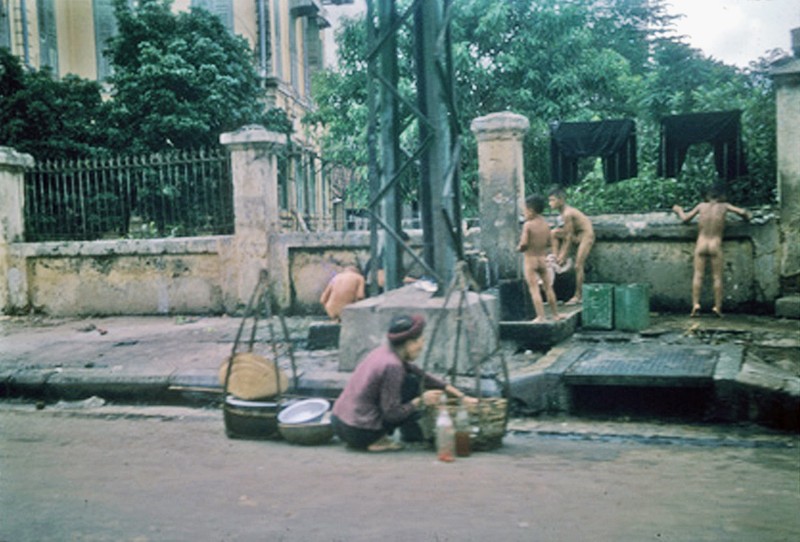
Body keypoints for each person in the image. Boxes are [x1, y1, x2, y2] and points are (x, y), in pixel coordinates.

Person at [331, 314, 475, 452]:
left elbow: (424, 377)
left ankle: (407, 434)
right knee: (411, 385)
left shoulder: (384, 352)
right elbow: (391, 414)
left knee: (414, 380)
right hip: (361, 432)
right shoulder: (393, 366)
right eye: (421, 342)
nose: (422, 347)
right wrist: (421, 401)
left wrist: (461, 396)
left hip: (339, 422)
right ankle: (378, 440)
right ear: (410, 343)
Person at [672, 182, 751, 317]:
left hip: (701, 244)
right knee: (717, 277)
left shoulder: (701, 206)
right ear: (723, 195)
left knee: (698, 275)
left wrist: (678, 210)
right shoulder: (725, 206)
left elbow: (685, 219)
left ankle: (696, 304)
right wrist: (747, 216)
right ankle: (717, 308)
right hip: (715, 244)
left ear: (706, 195)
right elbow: (743, 212)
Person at [517, 195, 561, 323]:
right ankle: (555, 315)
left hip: (530, 259)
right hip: (542, 259)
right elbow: (548, 242)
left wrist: (519, 248)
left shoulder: (528, 225)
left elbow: (524, 243)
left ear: (530, 210)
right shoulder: (545, 224)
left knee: (534, 289)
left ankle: (541, 316)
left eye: (524, 210)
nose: (524, 213)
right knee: (548, 288)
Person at [548, 186, 595, 305]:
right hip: (576, 234)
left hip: (586, 236)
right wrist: (559, 255)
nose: (550, 204)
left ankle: (578, 296)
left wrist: (564, 255)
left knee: (578, 266)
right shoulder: (562, 213)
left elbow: (568, 237)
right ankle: (555, 257)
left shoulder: (568, 213)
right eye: (549, 200)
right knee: (553, 233)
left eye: (553, 200)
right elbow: (567, 234)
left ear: (561, 200)